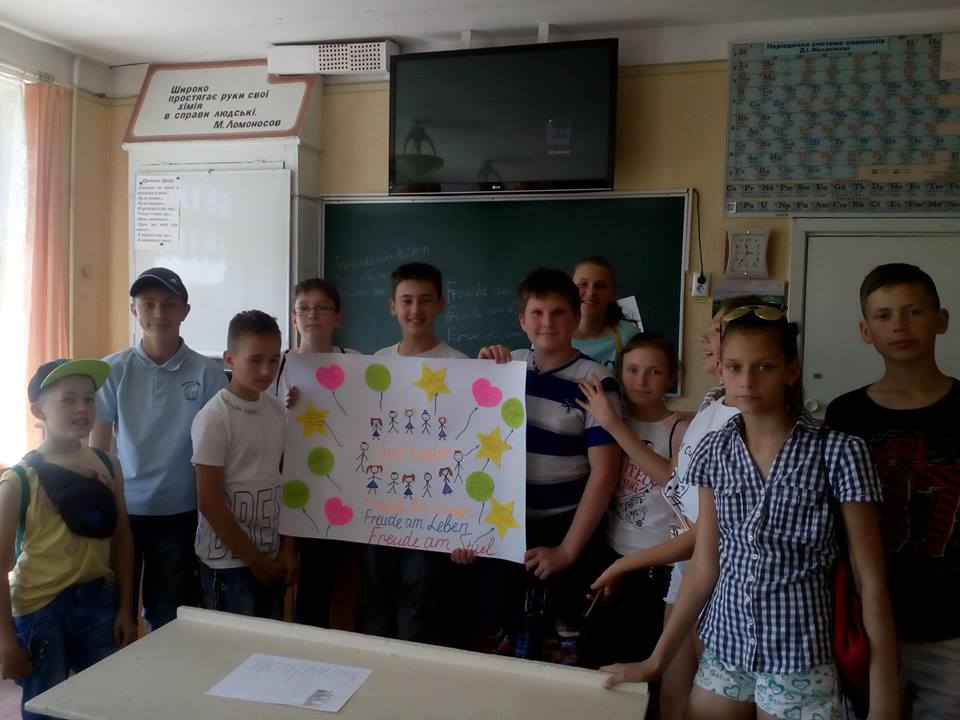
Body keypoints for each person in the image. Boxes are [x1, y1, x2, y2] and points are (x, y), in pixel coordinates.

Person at [603, 306, 900, 720]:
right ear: (720, 371)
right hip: (725, 649)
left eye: (764, 366)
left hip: (801, 656)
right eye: (735, 367)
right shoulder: (713, 450)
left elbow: (870, 581)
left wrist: (884, 699)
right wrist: (657, 660)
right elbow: (704, 565)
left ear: (790, 371)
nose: (747, 380)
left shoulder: (840, 452)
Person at [587, 296, 762, 720]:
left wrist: (627, 565)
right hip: (684, 571)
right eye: (632, 369)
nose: (703, 338)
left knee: (699, 697)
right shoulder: (711, 408)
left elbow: (702, 526)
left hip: (713, 578)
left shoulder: (740, 423)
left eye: (716, 330)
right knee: (671, 694)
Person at [456, 267, 621, 665]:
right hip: (501, 526)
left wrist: (567, 550)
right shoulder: (504, 368)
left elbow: (605, 472)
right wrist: (466, 528)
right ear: (522, 320)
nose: (548, 322)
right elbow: (464, 449)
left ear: (576, 317)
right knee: (506, 638)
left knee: (564, 646)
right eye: (537, 312)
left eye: (559, 312)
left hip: (566, 526)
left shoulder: (596, 381)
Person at [825, 263, 958, 720]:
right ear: (866, 331)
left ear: (941, 319)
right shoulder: (846, 415)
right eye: (883, 316)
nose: (899, 325)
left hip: (951, 626)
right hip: (864, 623)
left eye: (913, 311)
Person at [91, 267, 227, 631]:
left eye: (169, 304)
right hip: (124, 510)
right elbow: (99, 449)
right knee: (113, 613)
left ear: (185, 311)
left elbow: (215, 451)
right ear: (133, 309)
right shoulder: (112, 370)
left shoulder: (208, 373)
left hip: (180, 513)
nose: (158, 313)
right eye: (148, 304)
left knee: (167, 615)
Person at [1, 359, 136, 719]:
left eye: (89, 399)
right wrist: (6, 641)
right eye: (68, 399)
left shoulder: (107, 464)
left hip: (99, 600)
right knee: (46, 706)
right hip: (40, 608)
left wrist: (126, 607)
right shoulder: (18, 480)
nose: (82, 408)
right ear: (38, 411)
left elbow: (122, 538)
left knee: (107, 703)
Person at [360, 263, 466, 643]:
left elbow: (468, 448)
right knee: (375, 595)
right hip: (380, 509)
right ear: (392, 306)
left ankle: (408, 671)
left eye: (425, 300)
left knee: (418, 598)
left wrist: (467, 525)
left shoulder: (462, 366)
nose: (415, 309)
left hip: (433, 513)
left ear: (441, 304)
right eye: (406, 300)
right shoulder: (376, 364)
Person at [575, 332, 688, 668]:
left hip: (658, 566)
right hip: (611, 555)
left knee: (644, 656)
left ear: (672, 376)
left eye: (654, 371)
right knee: (598, 657)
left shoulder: (679, 429)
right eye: (632, 370)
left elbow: (671, 480)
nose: (641, 380)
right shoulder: (608, 416)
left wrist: (613, 425)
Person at [191, 311, 297, 619]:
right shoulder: (214, 418)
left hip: (272, 557)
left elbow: (286, 481)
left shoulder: (276, 410)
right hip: (228, 564)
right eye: (255, 360)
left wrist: (287, 548)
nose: (266, 370)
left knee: (269, 645)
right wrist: (255, 561)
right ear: (230, 359)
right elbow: (209, 502)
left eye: (274, 360)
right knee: (232, 647)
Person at [275, 278, 359, 628]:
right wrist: (282, 408)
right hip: (281, 487)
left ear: (338, 317)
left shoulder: (356, 362)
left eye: (322, 308)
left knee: (320, 587)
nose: (312, 315)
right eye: (304, 308)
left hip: (335, 489)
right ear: (294, 317)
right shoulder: (275, 365)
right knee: (277, 583)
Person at [571, 257, 640, 373]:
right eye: (582, 284)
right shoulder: (553, 334)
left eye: (600, 286)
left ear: (613, 294)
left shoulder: (628, 336)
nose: (591, 292)